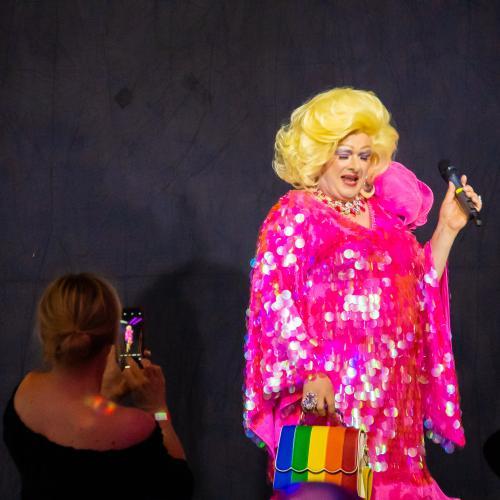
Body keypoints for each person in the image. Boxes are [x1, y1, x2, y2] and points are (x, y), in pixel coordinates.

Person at [243, 88, 482, 499]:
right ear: (320, 155)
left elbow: (419, 289)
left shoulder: (387, 221)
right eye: (344, 154)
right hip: (331, 399)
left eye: (365, 155)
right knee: (328, 491)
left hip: (393, 405)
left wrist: (447, 227)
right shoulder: (296, 213)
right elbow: (274, 297)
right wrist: (310, 373)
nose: (355, 165)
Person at [3, 273, 193, 500]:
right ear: (113, 341)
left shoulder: (25, 392)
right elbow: (180, 485)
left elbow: (63, 471)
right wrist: (157, 408)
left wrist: (106, 396)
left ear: (46, 333)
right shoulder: (135, 427)